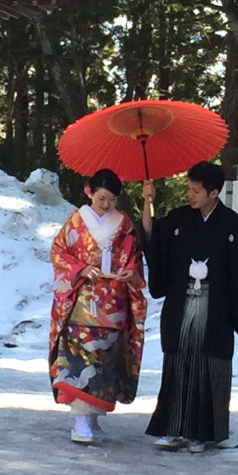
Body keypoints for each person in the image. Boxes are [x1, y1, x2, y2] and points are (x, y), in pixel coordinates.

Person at [142, 160, 238, 454]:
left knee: (209, 366)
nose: (190, 195)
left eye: (196, 190)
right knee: (178, 364)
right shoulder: (179, 220)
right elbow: (150, 236)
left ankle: (202, 432)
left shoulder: (231, 224)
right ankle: (173, 428)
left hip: (217, 309)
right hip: (183, 304)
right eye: (188, 189)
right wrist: (148, 201)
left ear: (214, 192)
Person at [49, 168, 147, 444]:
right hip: (81, 301)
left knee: (105, 361)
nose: (106, 205)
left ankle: (92, 418)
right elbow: (58, 251)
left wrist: (130, 271)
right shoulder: (75, 222)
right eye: (102, 198)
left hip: (113, 300)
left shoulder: (124, 224)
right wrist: (79, 268)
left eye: (112, 200)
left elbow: (134, 255)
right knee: (80, 358)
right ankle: (79, 419)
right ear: (89, 192)